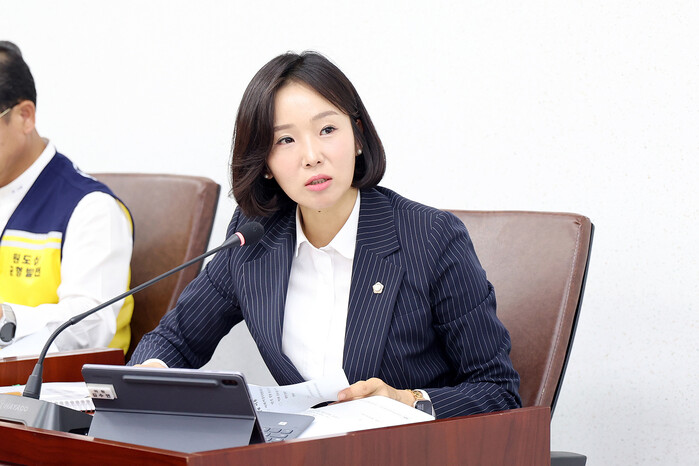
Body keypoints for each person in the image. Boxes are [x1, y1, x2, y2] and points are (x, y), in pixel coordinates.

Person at [130, 51, 521, 418]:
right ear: (265, 163)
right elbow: (177, 340)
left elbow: (498, 391)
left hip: (406, 450)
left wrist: (406, 401)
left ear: (358, 137)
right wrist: (147, 377)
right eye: (285, 140)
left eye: (327, 129)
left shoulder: (430, 237)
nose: (311, 156)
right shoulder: (254, 237)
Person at [0, 41, 134, 354]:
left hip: (56, 382)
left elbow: (90, 326)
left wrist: (7, 319)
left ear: (25, 116)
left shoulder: (91, 208)